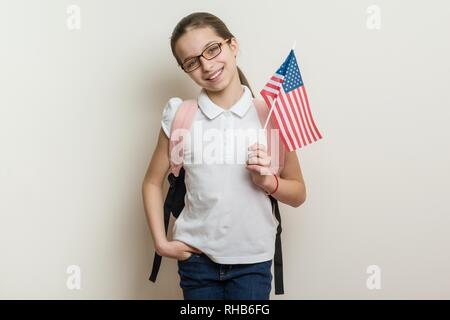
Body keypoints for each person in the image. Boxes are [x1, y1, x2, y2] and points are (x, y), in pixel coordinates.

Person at [142, 12, 307, 300]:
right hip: (196, 263)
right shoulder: (181, 115)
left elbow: (299, 192)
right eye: (192, 61)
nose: (207, 65)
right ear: (186, 69)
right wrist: (161, 243)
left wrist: (270, 183)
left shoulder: (269, 115)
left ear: (232, 45)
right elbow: (153, 183)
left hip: (253, 262)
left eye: (212, 49)